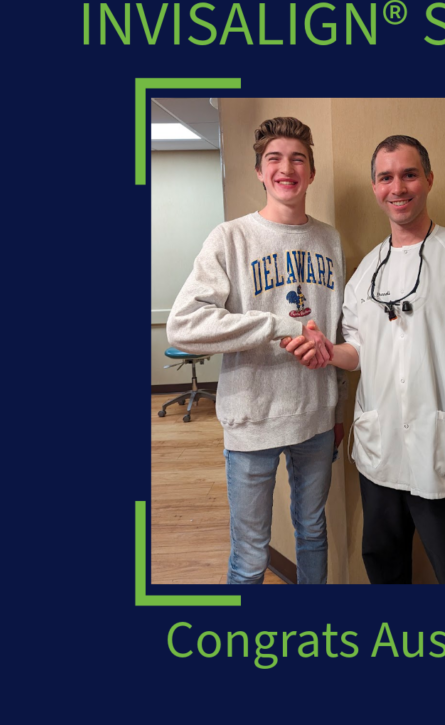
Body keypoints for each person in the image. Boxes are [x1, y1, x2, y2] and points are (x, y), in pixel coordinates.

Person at [282, 135, 445, 584]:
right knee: (385, 572)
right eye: (386, 177)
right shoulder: (365, 273)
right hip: (380, 456)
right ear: (375, 187)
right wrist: (328, 352)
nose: (398, 187)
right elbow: (358, 351)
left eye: (409, 174)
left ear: (428, 179)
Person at [167, 117, 346, 585]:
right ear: (259, 171)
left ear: (311, 172)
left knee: (313, 533)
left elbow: (336, 329)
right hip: (252, 419)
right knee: (249, 557)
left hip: (317, 418)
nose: (286, 168)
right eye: (274, 159)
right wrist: (276, 326)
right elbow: (183, 324)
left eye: (298, 159)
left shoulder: (330, 239)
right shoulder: (230, 238)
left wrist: (338, 406)